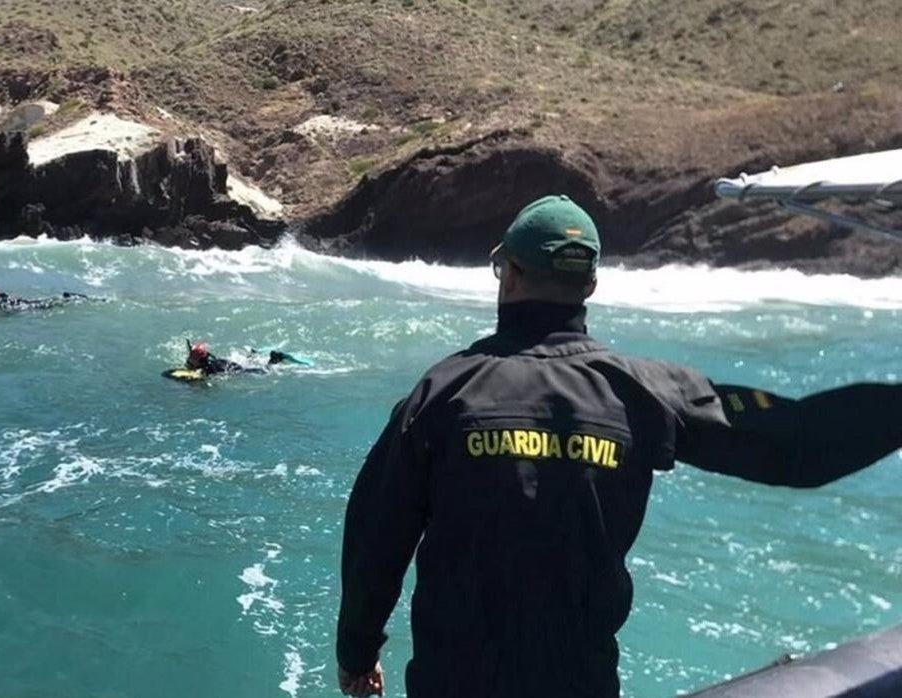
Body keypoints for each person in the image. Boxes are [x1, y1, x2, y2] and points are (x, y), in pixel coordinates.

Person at [335, 195, 902, 698]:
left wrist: (357, 656)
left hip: (452, 683)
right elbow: (797, 444)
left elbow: (375, 542)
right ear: (591, 285)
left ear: (507, 274)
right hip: (581, 683)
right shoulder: (646, 391)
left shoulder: (440, 393)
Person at [184, 342, 298, 375]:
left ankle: (274, 360)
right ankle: (252, 356)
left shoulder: (209, 368)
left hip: (232, 368)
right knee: (247, 363)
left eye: (192, 357)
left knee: (263, 371)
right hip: (226, 362)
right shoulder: (204, 358)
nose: (189, 358)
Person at [0, 288, 102, 310]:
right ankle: (90, 300)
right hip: (30, 305)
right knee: (56, 302)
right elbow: (5, 295)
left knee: (56, 303)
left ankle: (84, 299)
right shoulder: (2, 301)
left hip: (29, 307)